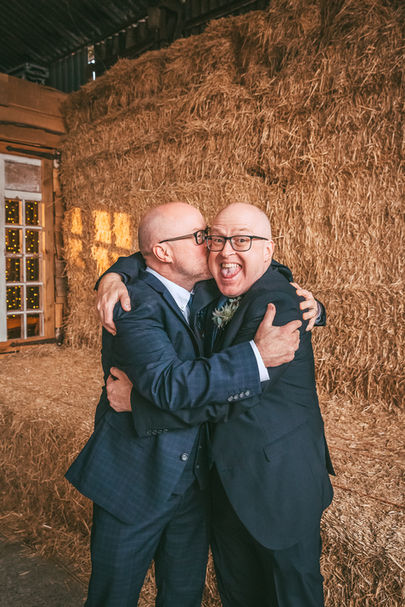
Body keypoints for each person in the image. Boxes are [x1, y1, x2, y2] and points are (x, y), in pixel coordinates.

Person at [65, 202, 309, 607]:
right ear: (163, 252)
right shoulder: (132, 304)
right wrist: (255, 358)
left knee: (183, 595)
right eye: (201, 237)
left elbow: (253, 262)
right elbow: (169, 385)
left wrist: (308, 301)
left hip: (194, 485)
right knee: (113, 597)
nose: (213, 245)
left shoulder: (205, 290)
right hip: (135, 479)